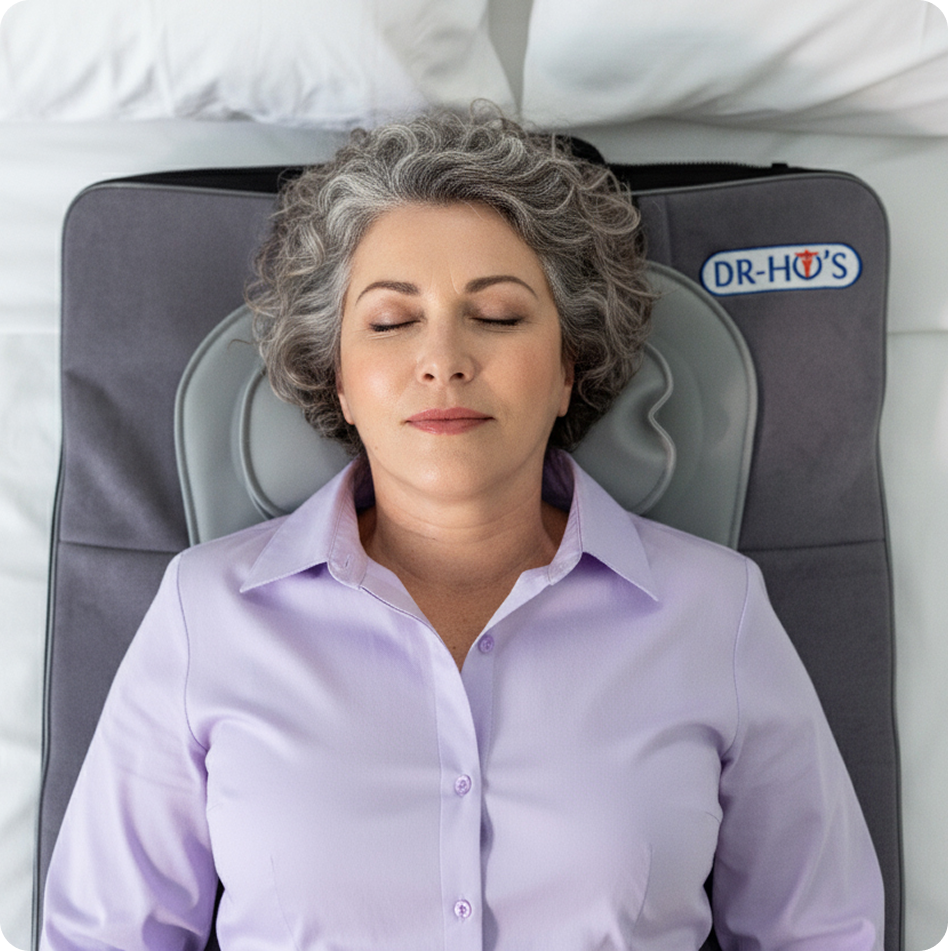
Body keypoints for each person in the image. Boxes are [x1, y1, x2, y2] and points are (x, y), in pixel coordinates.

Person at [40, 106, 884, 950]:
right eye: (392, 320)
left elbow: (822, 928)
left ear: (567, 368)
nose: (443, 358)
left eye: (500, 314)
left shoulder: (716, 609)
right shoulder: (205, 613)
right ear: (336, 377)